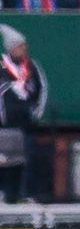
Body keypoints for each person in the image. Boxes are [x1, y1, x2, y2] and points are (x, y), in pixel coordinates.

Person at [0, 27, 41, 199]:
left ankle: (22, 194)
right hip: (3, 127)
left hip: (25, 128)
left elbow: (41, 90)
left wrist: (36, 114)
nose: (24, 50)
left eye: (24, 46)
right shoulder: (1, 67)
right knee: (3, 162)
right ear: (11, 48)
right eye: (20, 47)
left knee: (25, 162)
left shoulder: (32, 67)